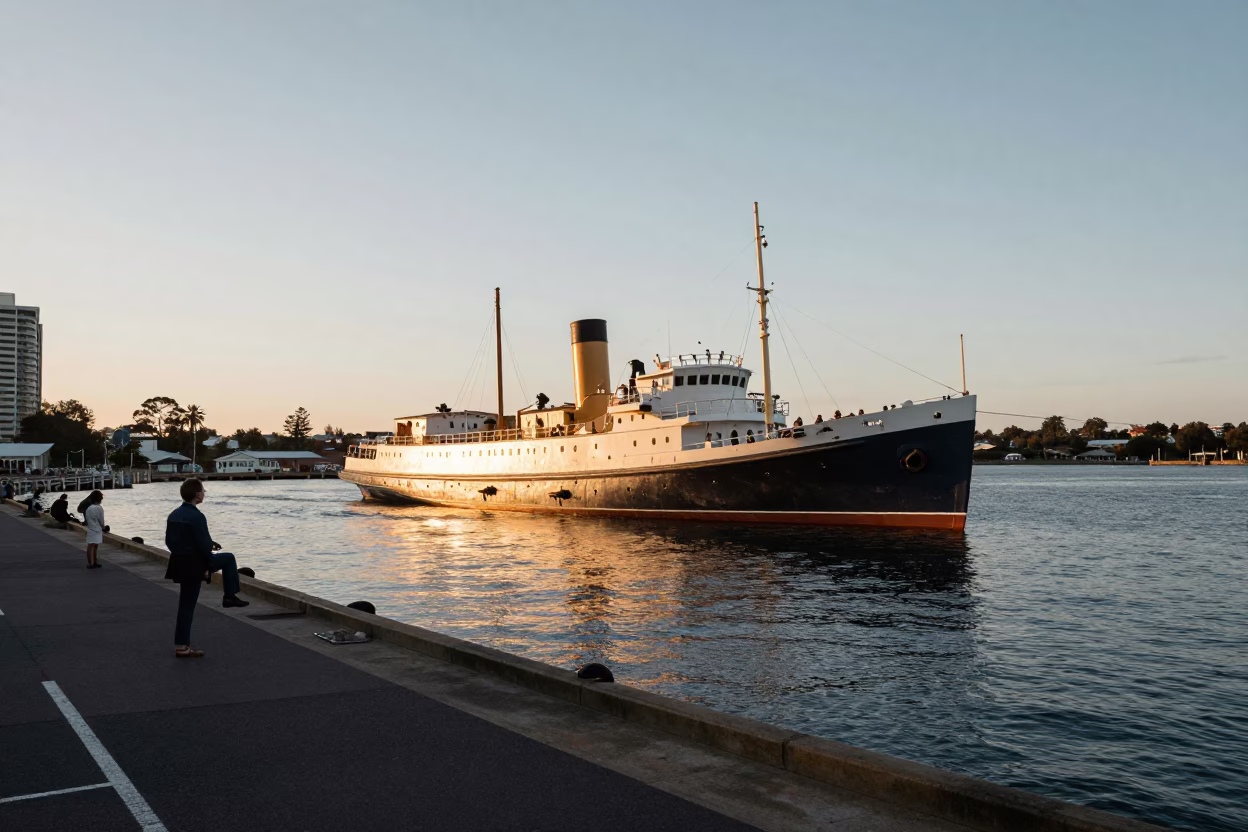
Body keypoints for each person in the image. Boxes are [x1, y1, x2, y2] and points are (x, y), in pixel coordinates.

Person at [165, 478, 248, 659]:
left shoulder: (174, 514)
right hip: (195, 564)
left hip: (179, 563)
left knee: (185, 605)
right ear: (197, 494)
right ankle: (229, 596)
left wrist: (206, 547)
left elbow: (170, 542)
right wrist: (207, 564)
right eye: (203, 490)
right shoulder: (197, 516)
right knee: (229, 558)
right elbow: (203, 545)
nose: (204, 493)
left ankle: (181, 645)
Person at [83, 490, 105, 568]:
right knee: (95, 546)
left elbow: (87, 519)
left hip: (91, 528)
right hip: (97, 528)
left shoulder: (89, 508)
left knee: (90, 545)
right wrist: (103, 527)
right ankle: (95, 561)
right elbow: (101, 520)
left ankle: (90, 562)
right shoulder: (99, 508)